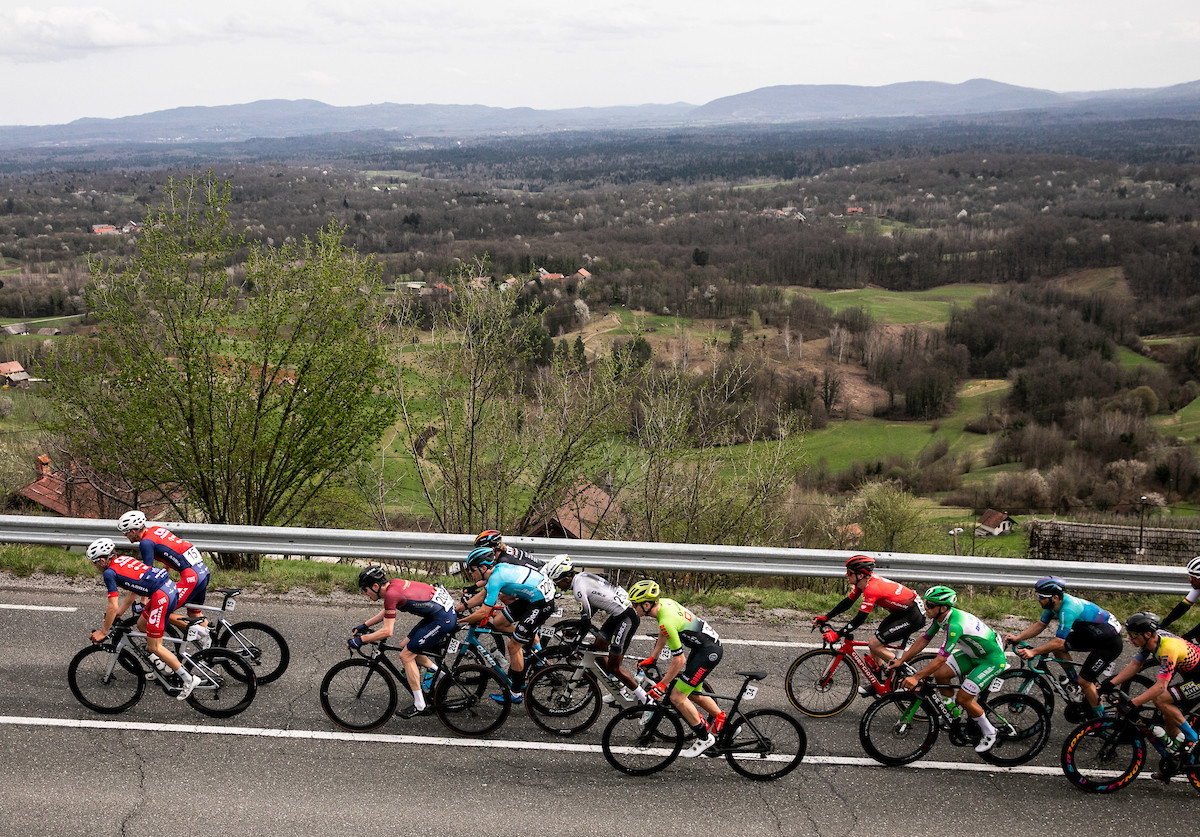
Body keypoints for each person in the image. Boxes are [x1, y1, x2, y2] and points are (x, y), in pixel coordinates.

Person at [888, 585, 1007, 753]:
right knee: (941, 674)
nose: (926, 607)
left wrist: (917, 677)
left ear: (943, 608)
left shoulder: (955, 625)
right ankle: (953, 713)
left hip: (991, 660)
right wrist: (902, 660)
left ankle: (990, 732)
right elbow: (924, 640)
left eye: (929, 605)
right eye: (926, 603)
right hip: (973, 654)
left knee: (965, 698)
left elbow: (940, 658)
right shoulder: (940, 617)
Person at [85, 537, 197, 700]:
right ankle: (161, 664)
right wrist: (118, 616)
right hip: (168, 587)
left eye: (94, 563)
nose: (95, 566)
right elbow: (133, 592)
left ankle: (188, 679)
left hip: (161, 596)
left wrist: (104, 631)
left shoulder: (109, 573)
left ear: (102, 561)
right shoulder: (123, 559)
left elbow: (112, 606)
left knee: (154, 647)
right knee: (141, 624)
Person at [628, 580, 725, 758]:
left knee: (677, 697)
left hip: (707, 652)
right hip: (705, 647)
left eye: (636, 605)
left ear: (647, 604)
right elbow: (664, 633)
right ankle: (724, 723)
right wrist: (653, 657)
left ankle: (704, 738)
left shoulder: (665, 620)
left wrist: (662, 685)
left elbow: (679, 660)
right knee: (693, 693)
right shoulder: (665, 604)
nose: (634, 608)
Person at [1003, 576, 1122, 718]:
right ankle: (1076, 686)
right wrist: (1018, 638)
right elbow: (1041, 625)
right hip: (1093, 633)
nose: (1038, 599)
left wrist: (1033, 652)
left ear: (1054, 597)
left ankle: (1101, 721)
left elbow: (1059, 641)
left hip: (1109, 641)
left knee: (1085, 680)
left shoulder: (1069, 609)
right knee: (1057, 649)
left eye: (1041, 596)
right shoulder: (1054, 604)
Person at [349, 565, 458, 719]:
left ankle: (420, 705)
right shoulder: (394, 585)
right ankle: (439, 673)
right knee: (405, 646)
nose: (365, 594)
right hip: (439, 613)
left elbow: (387, 631)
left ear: (375, 586)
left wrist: (360, 640)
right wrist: (366, 625)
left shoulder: (392, 594)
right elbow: (388, 608)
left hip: (442, 619)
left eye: (365, 590)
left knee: (406, 656)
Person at [1102, 611, 1200, 780]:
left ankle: (1192, 738)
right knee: (1167, 715)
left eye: (1133, 635)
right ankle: (1175, 761)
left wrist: (1133, 703)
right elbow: (1135, 665)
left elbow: (1161, 687)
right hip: (1192, 676)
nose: (1131, 639)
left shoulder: (1168, 649)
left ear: (1147, 634)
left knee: (1161, 699)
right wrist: (1110, 683)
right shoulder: (1151, 641)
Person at [812, 555, 926, 695]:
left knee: (875, 644)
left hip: (912, 616)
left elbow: (860, 619)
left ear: (860, 575)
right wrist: (825, 617)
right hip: (902, 612)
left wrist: (838, 634)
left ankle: (907, 673)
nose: (846, 575)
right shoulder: (862, 584)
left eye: (849, 573)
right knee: (875, 643)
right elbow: (847, 603)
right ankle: (878, 684)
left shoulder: (871, 589)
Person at [543, 554, 649, 704]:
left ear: (566, 578)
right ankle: (618, 688)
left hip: (626, 617)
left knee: (615, 667)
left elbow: (586, 623)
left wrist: (575, 638)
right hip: (619, 614)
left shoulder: (578, 589)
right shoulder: (582, 576)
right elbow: (591, 610)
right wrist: (576, 631)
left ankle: (646, 700)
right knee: (597, 649)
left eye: (557, 582)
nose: (558, 586)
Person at [459, 546, 557, 704]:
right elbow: (483, 595)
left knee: (513, 646)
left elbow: (484, 612)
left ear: (484, 568)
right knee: (499, 622)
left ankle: (516, 693)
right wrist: (458, 609)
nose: (471, 573)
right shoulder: (497, 571)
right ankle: (528, 639)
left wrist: (459, 621)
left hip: (541, 602)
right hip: (534, 596)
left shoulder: (496, 578)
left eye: (472, 569)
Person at [118, 510, 212, 649]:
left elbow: (144, 575)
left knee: (152, 615)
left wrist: (143, 602)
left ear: (133, 531)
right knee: (194, 612)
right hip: (202, 571)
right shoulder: (157, 530)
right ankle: (213, 647)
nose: (125, 536)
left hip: (192, 577)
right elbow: (169, 554)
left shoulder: (145, 543)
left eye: (126, 533)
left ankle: (201, 634)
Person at [1159, 556, 1200, 642]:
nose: (1189, 581)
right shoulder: (1198, 587)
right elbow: (1182, 607)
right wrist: (1162, 625)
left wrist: (1184, 639)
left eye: (1191, 578)